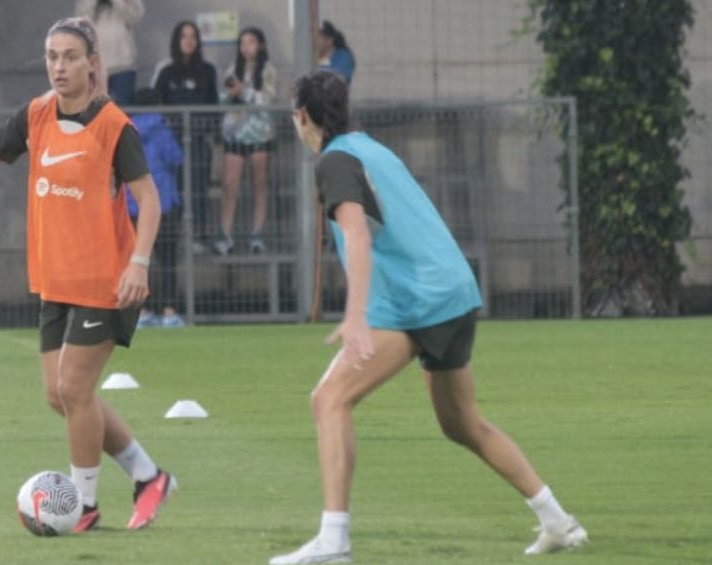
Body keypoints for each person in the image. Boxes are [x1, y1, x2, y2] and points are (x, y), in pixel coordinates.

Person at [269, 70, 588, 564]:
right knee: (461, 424)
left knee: (329, 400)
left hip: (418, 304)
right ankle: (557, 521)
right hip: (455, 293)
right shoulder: (368, 146)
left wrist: (355, 318)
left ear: (302, 116)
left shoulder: (334, 160)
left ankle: (334, 541)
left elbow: (355, 235)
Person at [0, 17, 176, 533]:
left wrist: (139, 263)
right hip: (56, 281)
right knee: (59, 395)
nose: (59, 66)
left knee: (76, 390)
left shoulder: (113, 126)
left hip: (107, 282)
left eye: (70, 56)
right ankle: (148, 476)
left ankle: (82, 504)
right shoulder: (35, 116)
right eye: (51, 56)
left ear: (92, 64)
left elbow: (148, 200)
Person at [152, 20, 219, 247]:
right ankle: (174, 236)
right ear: (176, 41)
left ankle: (200, 236)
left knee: (200, 188)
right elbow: (155, 103)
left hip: (199, 141)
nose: (189, 41)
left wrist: (208, 129)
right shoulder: (166, 70)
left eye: (193, 37)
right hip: (173, 142)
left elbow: (214, 105)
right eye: (184, 36)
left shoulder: (208, 70)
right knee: (175, 189)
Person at [126, 88, 186, 328]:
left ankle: (141, 312)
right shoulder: (161, 128)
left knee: (139, 261)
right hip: (164, 203)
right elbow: (176, 158)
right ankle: (170, 312)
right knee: (169, 261)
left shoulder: (127, 130)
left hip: (133, 205)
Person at [216, 27, 277, 255]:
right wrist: (230, 95)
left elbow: (267, 100)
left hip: (259, 133)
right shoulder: (233, 69)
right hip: (234, 134)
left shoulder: (268, 70)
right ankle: (225, 236)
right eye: (242, 42)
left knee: (259, 184)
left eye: (251, 41)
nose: (246, 46)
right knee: (229, 184)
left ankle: (257, 236)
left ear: (260, 45)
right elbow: (223, 100)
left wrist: (244, 92)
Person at [76, 0, 144, 106]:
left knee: (123, 111)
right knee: (93, 110)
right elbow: (80, 21)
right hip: (94, 64)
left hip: (123, 64)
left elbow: (135, 18)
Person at [316, 20, 355, 85]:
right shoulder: (326, 56)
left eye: (319, 39)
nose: (317, 43)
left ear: (330, 40)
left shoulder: (344, 57)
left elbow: (338, 80)